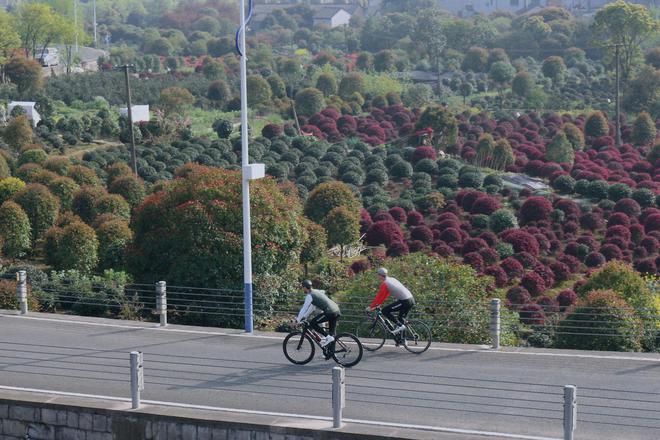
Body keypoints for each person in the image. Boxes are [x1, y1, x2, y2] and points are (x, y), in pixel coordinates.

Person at [365, 268, 415, 334]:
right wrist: (379, 304)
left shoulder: (385, 284)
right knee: (400, 318)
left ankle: (400, 326)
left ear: (380, 275)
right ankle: (402, 339)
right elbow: (385, 295)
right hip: (411, 299)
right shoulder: (392, 279)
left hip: (405, 301)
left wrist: (371, 307)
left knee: (385, 311)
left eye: (377, 275)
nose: (377, 276)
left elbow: (378, 297)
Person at [296, 280, 341, 348]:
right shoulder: (316, 291)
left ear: (305, 287)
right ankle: (331, 353)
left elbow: (304, 309)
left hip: (330, 312)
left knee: (313, 323)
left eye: (302, 287)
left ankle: (328, 337)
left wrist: (297, 320)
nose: (302, 289)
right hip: (336, 310)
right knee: (332, 335)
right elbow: (312, 308)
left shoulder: (309, 296)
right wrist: (304, 317)